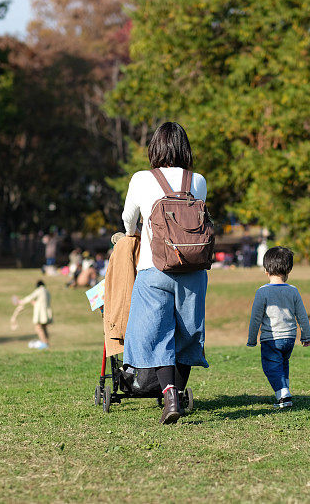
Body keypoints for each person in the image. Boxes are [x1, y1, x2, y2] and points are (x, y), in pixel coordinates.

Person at [122, 121, 209, 425]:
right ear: (185, 147)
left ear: (155, 148)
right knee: (187, 334)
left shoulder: (141, 179)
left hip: (154, 267)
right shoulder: (197, 180)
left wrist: (131, 234)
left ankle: (169, 393)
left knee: (156, 334)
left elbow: (128, 220)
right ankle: (179, 391)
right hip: (193, 269)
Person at [247, 246, 310, 408]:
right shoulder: (293, 291)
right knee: (283, 363)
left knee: (270, 366)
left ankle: (283, 394)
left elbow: (256, 318)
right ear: (289, 269)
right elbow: (302, 315)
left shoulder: (262, 292)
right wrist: (306, 335)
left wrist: (252, 338)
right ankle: (285, 392)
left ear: (266, 270)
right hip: (290, 338)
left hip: (271, 339)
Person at [20, 280, 53, 349]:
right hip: (47, 313)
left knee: (38, 328)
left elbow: (30, 297)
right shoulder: (47, 291)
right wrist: (35, 303)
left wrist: (21, 301)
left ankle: (44, 344)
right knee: (44, 328)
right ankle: (47, 343)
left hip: (40, 313)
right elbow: (43, 302)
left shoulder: (39, 290)